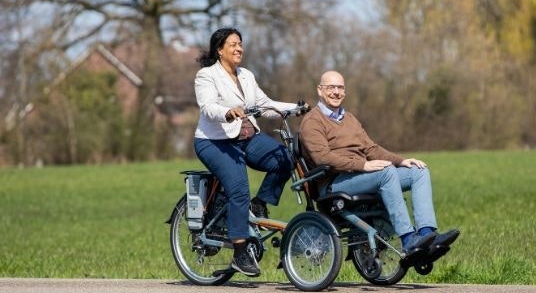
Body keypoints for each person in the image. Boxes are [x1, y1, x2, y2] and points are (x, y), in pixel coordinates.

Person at [299, 70, 459, 260]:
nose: (336, 92)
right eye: (331, 87)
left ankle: (426, 236)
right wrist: (362, 166)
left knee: (418, 171)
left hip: (359, 176)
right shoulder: (312, 122)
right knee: (386, 172)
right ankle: (408, 239)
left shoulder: (349, 119)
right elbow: (323, 158)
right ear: (320, 90)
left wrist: (402, 161)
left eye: (340, 87)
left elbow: (371, 149)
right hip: (333, 183)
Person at [193, 28, 299, 277]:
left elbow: (265, 105)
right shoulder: (206, 76)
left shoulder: (247, 76)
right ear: (220, 50)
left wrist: (297, 108)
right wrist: (228, 112)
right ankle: (240, 253)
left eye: (241, 44)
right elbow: (208, 107)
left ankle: (260, 203)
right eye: (233, 44)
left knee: (286, 158)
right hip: (216, 142)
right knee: (239, 189)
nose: (239, 48)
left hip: (248, 139)